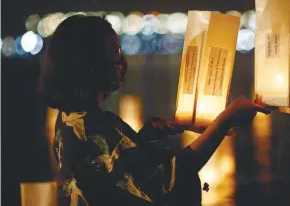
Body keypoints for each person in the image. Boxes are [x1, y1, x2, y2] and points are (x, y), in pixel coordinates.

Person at [37, 15, 270, 206]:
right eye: (115, 50)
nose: (121, 60)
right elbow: (164, 182)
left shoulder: (69, 119)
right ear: (90, 62)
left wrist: (141, 139)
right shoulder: (93, 127)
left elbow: (114, 175)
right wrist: (225, 120)